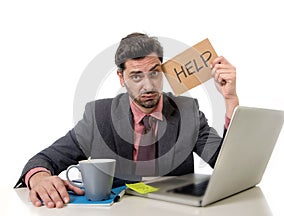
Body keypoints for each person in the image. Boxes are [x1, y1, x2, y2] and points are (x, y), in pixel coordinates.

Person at [15, 32, 239, 208]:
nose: (149, 86)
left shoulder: (187, 111)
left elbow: (228, 166)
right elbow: (45, 159)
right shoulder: (98, 115)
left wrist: (230, 100)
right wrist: (40, 177)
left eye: (154, 73)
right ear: (121, 78)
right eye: (136, 76)